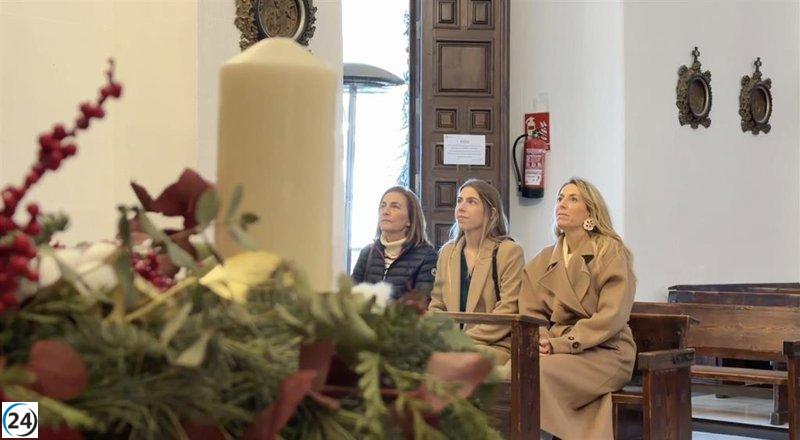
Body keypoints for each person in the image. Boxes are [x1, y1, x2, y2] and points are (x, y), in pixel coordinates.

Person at [520, 177, 636, 439]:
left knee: (539, 373)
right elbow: (529, 313)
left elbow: (612, 315)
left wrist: (561, 344)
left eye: (573, 199)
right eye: (560, 198)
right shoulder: (544, 259)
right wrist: (542, 341)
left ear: (591, 212)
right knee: (511, 371)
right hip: (558, 349)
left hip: (606, 350)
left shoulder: (611, 252)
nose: (562, 204)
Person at [428, 179, 525, 364]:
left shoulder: (508, 251)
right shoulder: (447, 252)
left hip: (493, 345)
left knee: (455, 361)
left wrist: (464, 342)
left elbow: (508, 309)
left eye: (471, 202)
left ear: (492, 212)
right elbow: (437, 306)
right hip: (451, 344)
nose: (461, 207)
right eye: (459, 200)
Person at [351, 186, 437, 301]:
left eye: (395, 206)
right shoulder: (366, 253)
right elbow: (351, 299)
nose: (385, 211)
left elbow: (422, 304)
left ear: (410, 219)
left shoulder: (427, 256)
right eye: (383, 205)